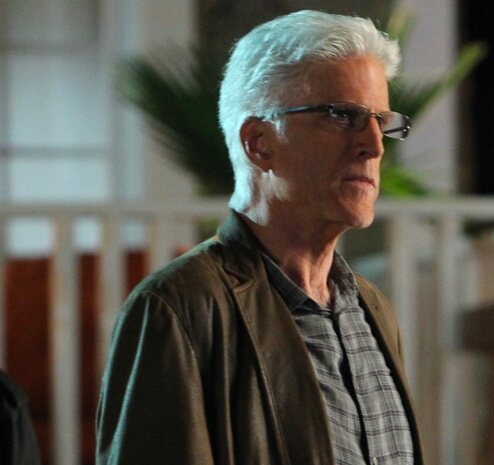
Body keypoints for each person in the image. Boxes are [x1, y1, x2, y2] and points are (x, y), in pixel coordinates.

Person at [96, 10, 422, 465]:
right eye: (342, 115)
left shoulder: (372, 308)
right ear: (259, 142)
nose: (375, 145)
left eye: (381, 121)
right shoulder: (177, 307)